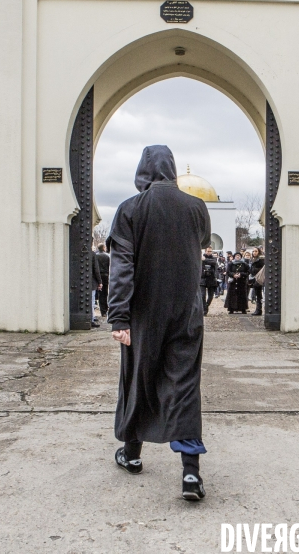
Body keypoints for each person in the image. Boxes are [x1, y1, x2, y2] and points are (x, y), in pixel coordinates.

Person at [107, 145, 211, 501]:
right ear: (171, 171)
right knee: (183, 384)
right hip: (186, 312)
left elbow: (121, 268)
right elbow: (199, 245)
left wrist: (119, 316)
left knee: (139, 381)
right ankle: (191, 474)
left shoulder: (130, 210)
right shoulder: (196, 208)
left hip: (143, 315)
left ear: (142, 172)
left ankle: (132, 456)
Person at [200, 246, 218, 315]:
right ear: (205, 251)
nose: (209, 252)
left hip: (211, 279)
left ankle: (206, 305)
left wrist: (204, 260)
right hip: (203, 279)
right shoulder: (201, 257)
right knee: (202, 295)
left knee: (211, 296)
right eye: (208, 251)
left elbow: (214, 262)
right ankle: (204, 309)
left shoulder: (214, 258)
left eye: (210, 251)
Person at [96, 243, 110, 317]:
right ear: (104, 247)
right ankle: (106, 309)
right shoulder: (107, 256)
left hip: (98, 276)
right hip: (106, 275)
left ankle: (103, 311)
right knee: (105, 293)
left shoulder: (96, 256)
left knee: (100, 294)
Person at [250, 247, 265, 316]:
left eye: (255, 251)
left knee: (258, 295)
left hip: (259, 278)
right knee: (257, 294)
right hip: (255, 278)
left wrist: (254, 270)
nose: (254, 252)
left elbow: (263, 269)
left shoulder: (261, 260)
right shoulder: (253, 259)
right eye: (253, 251)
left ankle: (259, 309)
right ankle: (258, 309)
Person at [90, 250, 102, 328]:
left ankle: (92, 317)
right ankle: (91, 319)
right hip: (92, 282)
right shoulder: (92, 254)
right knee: (91, 301)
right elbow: (96, 269)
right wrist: (99, 281)